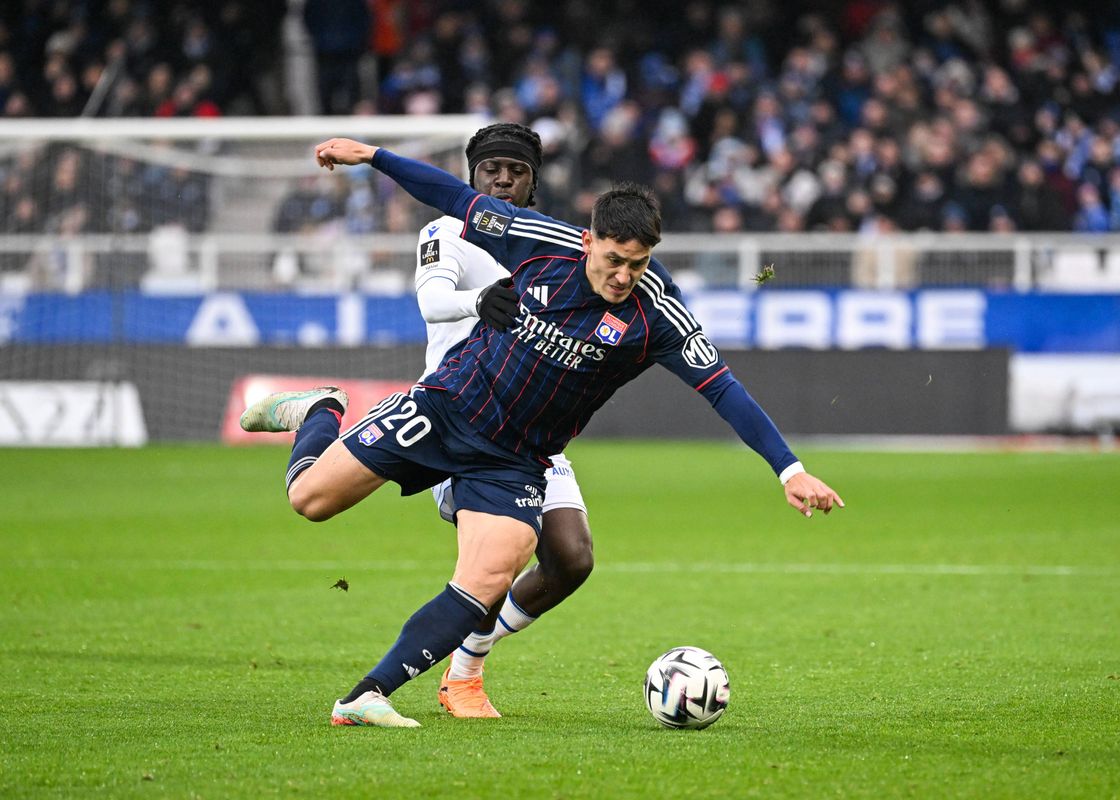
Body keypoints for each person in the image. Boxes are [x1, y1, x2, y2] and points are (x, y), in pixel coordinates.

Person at [239, 139, 844, 729]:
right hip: (448, 408)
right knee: (309, 501)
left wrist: (789, 470)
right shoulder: (537, 239)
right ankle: (322, 409)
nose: (623, 276)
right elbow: (451, 195)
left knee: (486, 581)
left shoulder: (657, 314)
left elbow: (722, 388)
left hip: (515, 458)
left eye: (638, 264)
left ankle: (367, 695)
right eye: (613, 260)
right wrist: (374, 157)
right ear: (589, 240)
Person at [413, 123, 594, 718]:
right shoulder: (446, 231)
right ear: (471, 176)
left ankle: (471, 645)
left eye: (516, 171)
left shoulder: (552, 246)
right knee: (498, 558)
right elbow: (431, 301)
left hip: (530, 425)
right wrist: (477, 302)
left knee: (571, 558)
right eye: (492, 169)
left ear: (534, 181)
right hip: (460, 420)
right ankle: (464, 679)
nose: (503, 180)